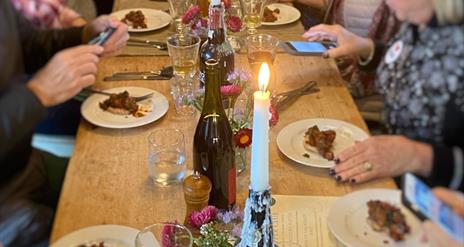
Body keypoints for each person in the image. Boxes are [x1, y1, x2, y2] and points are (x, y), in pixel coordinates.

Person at [0, 0, 128, 245]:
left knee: (123, 185)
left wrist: (85, 33)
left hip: (26, 167)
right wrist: (37, 93)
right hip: (9, 209)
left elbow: (30, 45)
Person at [305, 0, 464, 191]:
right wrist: (363, 46)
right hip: (394, 182)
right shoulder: (416, 22)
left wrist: (418, 156)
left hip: (443, 206)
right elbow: (410, 68)